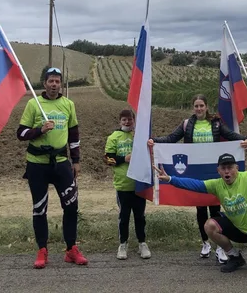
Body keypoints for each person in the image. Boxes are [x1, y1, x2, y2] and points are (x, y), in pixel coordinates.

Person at [154, 146, 247, 281]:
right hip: (239, 229)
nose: (227, 171)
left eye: (230, 167)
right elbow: (196, 185)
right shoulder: (217, 185)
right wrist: (170, 179)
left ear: (236, 168)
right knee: (210, 225)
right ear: (218, 170)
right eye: (223, 168)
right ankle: (235, 256)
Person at [147, 94, 247, 264]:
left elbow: (232, 136)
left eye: (201, 105)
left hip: (213, 172)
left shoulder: (216, 123)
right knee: (201, 209)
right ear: (193, 108)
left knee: (216, 209)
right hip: (196, 172)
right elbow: (171, 138)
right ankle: (205, 243)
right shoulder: (187, 124)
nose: (199, 109)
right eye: (196, 106)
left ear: (206, 107)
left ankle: (220, 246)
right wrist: (155, 141)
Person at [16, 66, 88, 268]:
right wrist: (39, 130)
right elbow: (20, 134)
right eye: (51, 81)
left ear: (61, 84)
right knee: (39, 209)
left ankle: (71, 249)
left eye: (57, 81)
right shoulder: (33, 104)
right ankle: (42, 250)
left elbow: (74, 135)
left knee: (71, 207)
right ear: (44, 83)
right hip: (37, 165)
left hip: (61, 164)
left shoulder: (68, 105)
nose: (54, 84)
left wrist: (76, 161)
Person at [104, 108, 151, 260]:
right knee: (124, 217)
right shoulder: (114, 137)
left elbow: (149, 151)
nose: (127, 122)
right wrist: (124, 159)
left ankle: (142, 243)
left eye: (130, 119)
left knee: (140, 216)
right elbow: (107, 159)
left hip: (139, 183)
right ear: (120, 121)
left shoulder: (139, 136)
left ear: (134, 121)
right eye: (124, 120)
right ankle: (123, 244)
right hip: (123, 184)